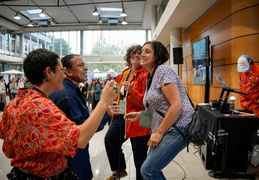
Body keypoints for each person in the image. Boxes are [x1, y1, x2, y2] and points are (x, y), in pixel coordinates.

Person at [0, 48, 118, 179]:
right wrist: (103, 102)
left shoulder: (14, 103)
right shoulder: (43, 107)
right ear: (49, 72)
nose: (64, 75)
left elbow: (8, 147)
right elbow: (79, 140)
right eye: (61, 70)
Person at [124, 41, 194, 179]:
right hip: (162, 127)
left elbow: (176, 105)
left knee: (148, 170)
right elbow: (157, 107)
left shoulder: (163, 70)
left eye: (147, 51)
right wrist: (140, 115)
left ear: (158, 55)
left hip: (179, 126)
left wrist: (159, 133)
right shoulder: (151, 75)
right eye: (142, 51)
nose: (142, 54)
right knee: (147, 168)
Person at [49, 54, 113, 180]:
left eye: (84, 64)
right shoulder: (67, 96)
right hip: (72, 160)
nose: (86, 68)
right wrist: (105, 110)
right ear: (67, 71)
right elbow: (83, 133)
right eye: (80, 65)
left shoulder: (71, 90)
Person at [105, 44, 151, 180]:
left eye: (139, 53)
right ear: (129, 56)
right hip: (123, 114)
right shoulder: (125, 73)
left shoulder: (146, 74)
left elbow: (148, 101)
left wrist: (132, 92)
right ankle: (119, 168)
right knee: (110, 139)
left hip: (143, 116)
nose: (137, 55)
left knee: (140, 155)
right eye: (134, 53)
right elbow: (120, 94)